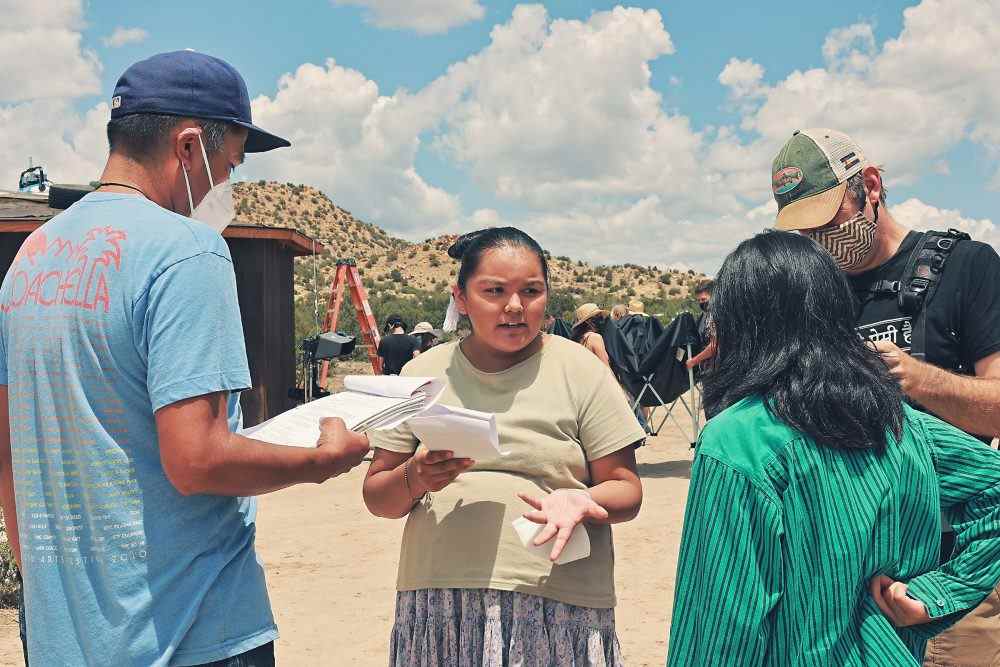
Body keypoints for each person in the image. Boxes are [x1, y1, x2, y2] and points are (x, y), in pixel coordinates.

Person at [0, 51, 370, 666]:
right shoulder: (187, 252)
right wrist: (318, 460)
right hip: (188, 629)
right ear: (190, 146)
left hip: (66, 636)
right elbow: (197, 459)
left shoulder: (32, 259)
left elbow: (10, 451)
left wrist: (46, 596)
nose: (226, 187)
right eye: (228, 167)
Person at [667, 231, 1000, 666]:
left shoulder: (737, 440)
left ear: (738, 322)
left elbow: (718, 627)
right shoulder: (900, 424)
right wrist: (933, 594)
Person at [362, 227, 645, 666]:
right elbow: (378, 496)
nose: (514, 306)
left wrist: (582, 500)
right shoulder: (421, 375)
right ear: (461, 297)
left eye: (530, 291)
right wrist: (415, 476)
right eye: (494, 291)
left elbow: (626, 489)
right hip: (440, 607)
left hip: (557, 605)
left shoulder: (581, 370)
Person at [771, 128, 1000, 666]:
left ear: (870, 186)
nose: (823, 240)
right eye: (806, 232)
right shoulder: (812, 298)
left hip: (954, 569)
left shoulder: (967, 269)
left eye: (830, 220)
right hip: (846, 576)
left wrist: (915, 379)